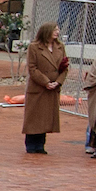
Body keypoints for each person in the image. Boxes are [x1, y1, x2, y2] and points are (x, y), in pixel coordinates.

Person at [23, 22, 68, 155]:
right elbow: (32, 68)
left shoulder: (60, 47)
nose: (57, 32)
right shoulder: (34, 47)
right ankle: (31, 144)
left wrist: (58, 82)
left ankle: (40, 144)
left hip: (53, 89)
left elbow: (65, 67)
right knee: (34, 116)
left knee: (46, 117)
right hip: (38, 87)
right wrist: (46, 82)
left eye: (58, 29)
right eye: (55, 30)